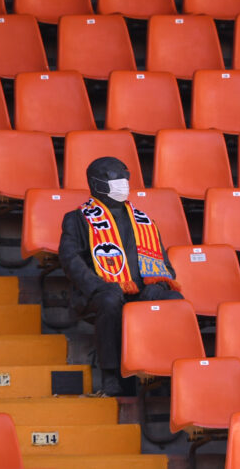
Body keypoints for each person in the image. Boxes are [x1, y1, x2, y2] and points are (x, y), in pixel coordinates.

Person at [59, 156, 183, 396]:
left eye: (125, 178)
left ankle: (166, 372)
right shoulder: (77, 219)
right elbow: (69, 259)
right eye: (117, 179)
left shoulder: (143, 220)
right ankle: (111, 376)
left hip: (140, 291)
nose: (123, 184)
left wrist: (158, 284)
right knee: (110, 299)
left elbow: (164, 263)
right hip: (100, 293)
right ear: (97, 184)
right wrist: (98, 286)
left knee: (172, 300)